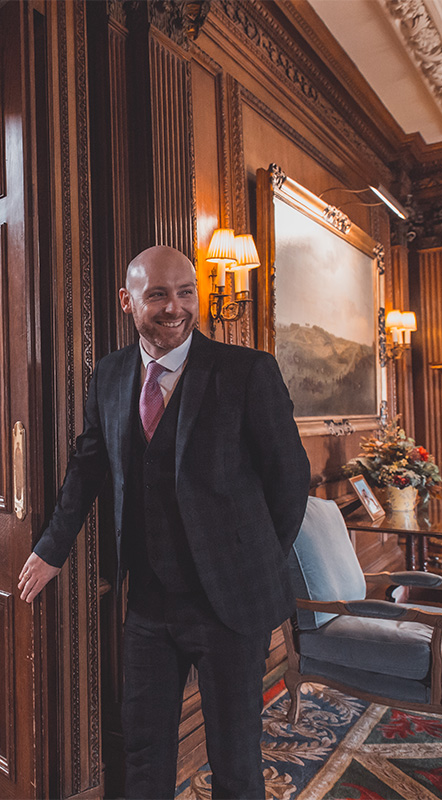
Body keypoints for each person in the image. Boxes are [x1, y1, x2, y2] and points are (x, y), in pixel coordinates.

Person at [18, 245, 310, 799]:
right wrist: (53, 548)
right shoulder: (109, 374)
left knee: (236, 760)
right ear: (128, 302)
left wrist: (256, 564)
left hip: (229, 606)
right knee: (143, 753)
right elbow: (88, 466)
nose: (173, 307)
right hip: (149, 603)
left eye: (184, 293)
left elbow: (290, 479)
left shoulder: (246, 372)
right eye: (157, 294)